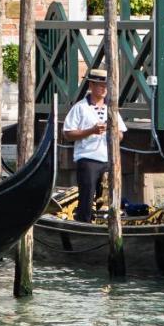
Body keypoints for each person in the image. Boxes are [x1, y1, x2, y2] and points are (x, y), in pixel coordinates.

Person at [62, 66, 126, 223]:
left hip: (108, 160)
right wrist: (91, 131)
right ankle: (84, 223)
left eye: (106, 86)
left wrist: (114, 133)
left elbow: (121, 134)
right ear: (91, 86)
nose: (104, 89)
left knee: (108, 197)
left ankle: (106, 224)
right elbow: (68, 134)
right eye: (100, 85)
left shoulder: (111, 109)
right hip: (88, 158)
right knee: (87, 196)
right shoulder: (80, 108)